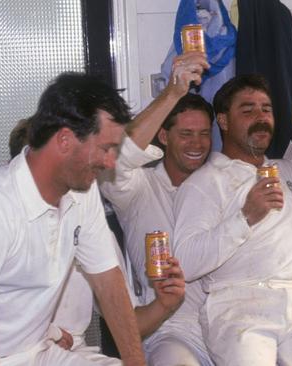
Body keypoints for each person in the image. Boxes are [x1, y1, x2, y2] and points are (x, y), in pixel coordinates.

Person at [0, 72, 145, 365]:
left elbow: (108, 282)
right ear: (64, 140)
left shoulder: (83, 192)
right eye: (106, 148)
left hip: (40, 353)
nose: (111, 162)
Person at [171, 74, 292, 365]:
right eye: (247, 111)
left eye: (266, 110)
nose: (260, 118)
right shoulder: (205, 182)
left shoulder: (287, 171)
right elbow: (185, 263)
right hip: (237, 306)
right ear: (223, 121)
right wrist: (245, 218)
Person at [99, 52, 216, 365]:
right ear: (164, 136)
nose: (197, 144)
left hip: (230, 321)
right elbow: (118, 155)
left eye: (204, 134)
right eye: (186, 134)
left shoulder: (221, 182)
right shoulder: (137, 187)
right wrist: (173, 92)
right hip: (171, 329)